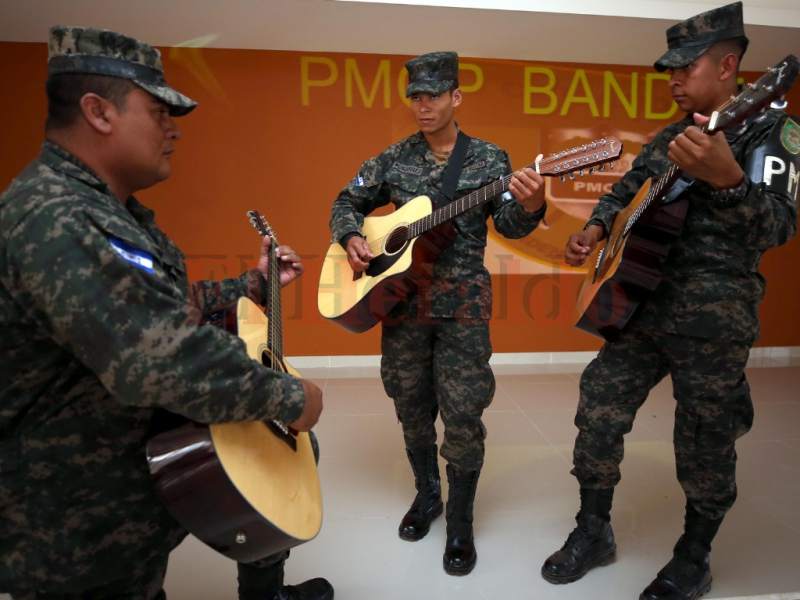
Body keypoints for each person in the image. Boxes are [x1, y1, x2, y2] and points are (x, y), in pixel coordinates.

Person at [0, 26, 333, 600]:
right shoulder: (59, 216)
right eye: (158, 112)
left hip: (121, 491)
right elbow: (157, 359)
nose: (173, 129)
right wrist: (291, 397)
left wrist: (249, 285)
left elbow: (153, 306)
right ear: (99, 111)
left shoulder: (103, 209)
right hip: (71, 525)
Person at [541, 3, 799, 599]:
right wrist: (598, 229)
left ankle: (694, 555)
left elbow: (779, 227)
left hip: (714, 320)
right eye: (670, 71)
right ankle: (593, 529)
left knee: (704, 437)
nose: (674, 81)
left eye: (686, 68)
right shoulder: (668, 137)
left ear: (729, 65)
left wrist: (730, 179)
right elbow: (625, 192)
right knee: (598, 408)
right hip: (639, 306)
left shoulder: (770, 130)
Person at [328, 51, 546, 575]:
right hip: (402, 305)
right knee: (410, 404)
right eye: (415, 97)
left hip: (463, 305)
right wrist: (352, 235)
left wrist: (534, 206)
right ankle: (428, 495)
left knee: (464, 413)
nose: (423, 107)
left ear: (456, 97)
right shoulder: (393, 158)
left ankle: (461, 521)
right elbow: (345, 200)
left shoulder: (490, 159)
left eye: (433, 96)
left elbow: (511, 226)